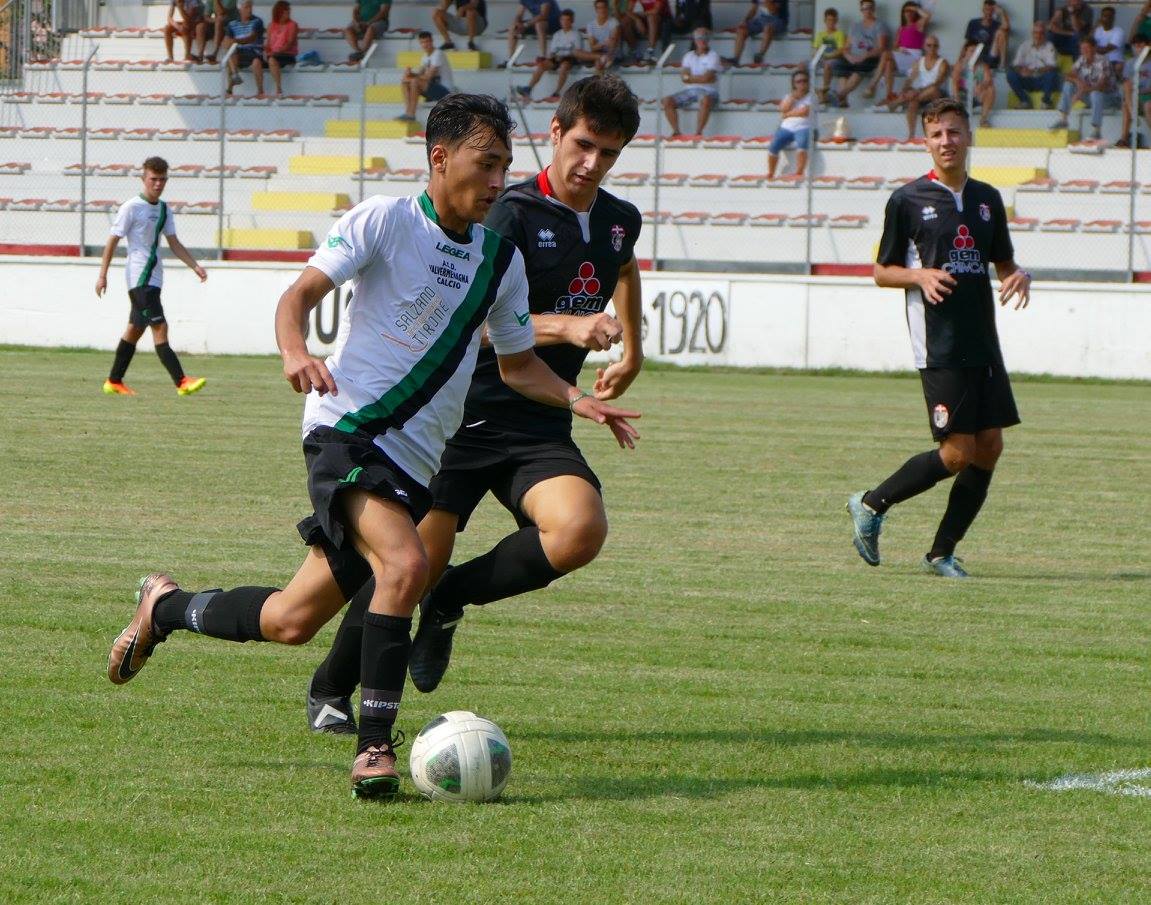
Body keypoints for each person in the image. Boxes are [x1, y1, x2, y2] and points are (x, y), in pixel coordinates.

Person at [105, 93, 641, 801]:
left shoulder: (498, 260)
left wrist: (579, 400)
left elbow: (515, 364)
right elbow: (297, 294)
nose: (495, 181)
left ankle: (163, 607)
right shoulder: (384, 221)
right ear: (439, 158)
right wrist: (294, 349)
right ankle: (374, 748)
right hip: (347, 430)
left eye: (505, 167)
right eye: (485, 165)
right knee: (407, 561)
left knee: (291, 620)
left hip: (418, 461)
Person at [304, 75, 644, 732]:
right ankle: (329, 689)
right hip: (462, 415)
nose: (590, 163)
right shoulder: (505, 211)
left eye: (608, 153)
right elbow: (477, 322)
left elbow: (622, 267)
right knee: (407, 564)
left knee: (580, 530)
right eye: (581, 144)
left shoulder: (618, 219)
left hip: (538, 417)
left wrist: (633, 349)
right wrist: (566, 326)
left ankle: (452, 598)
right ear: (553, 131)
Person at [849, 97, 1031, 579]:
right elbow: (881, 272)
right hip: (939, 344)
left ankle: (941, 553)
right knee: (956, 454)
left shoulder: (988, 199)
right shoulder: (907, 200)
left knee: (989, 446)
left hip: (984, 343)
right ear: (925, 142)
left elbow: (1004, 262)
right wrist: (920, 277)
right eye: (936, 134)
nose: (946, 142)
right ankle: (871, 503)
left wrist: (1018, 275)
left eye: (953, 132)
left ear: (968, 136)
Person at [94, 157, 207, 397]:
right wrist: (102, 275)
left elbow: (173, 242)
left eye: (162, 179)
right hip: (139, 279)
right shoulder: (131, 207)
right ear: (144, 179)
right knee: (160, 326)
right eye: (153, 179)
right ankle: (181, 381)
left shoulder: (165, 209)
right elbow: (113, 239)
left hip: (154, 280)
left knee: (135, 329)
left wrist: (194, 265)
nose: (158, 184)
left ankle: (114, 381)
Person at [874, 34, 947, 141]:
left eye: (935, 46)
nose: (932, 48)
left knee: (932, 90)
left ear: (938, 47)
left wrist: (917, 91)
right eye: (929, 45)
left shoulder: (943, 63)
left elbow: (937, 83)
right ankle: (911, 135)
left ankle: (895, 104)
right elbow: (910, 79)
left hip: (936, 94)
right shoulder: (920, 61)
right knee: (913, 102)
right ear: (924, 46)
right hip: (920, 95)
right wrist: (905, 90)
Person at [951, 0, 1009, 128]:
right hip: (964, 93)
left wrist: (1001, 12)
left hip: (987, 56)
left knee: (1001, 33)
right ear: (983, 9)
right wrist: (960, 58)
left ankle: (983, 120)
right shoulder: (974, 23)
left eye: (991, 8)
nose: (988, 10)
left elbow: (1006, 27)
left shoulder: (996, 24)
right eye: (986, 8)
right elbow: (967, 43)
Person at [517, 8, 594, 101]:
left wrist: (562, 54)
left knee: (564, 66)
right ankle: (528, 88)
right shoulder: (557, 34)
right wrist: (554, 56)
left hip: (570, 59)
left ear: (572, 21)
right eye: (563, 20)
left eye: (567, 20)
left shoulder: (576, 34)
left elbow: (577, 52)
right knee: (542, 65)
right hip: (557, 58)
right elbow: (553, 51)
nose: (564, 22)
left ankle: (556, 92)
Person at [662, 27, 721, 136]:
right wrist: (701, 78)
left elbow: (704, 78)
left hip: (709, 91)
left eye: (705, 37)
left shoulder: (713, 56)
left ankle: (698, 132)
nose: (702, 40)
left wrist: (691, 78)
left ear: (708, 40)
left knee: (706, 99)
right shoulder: (688, 56)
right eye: (699, 38)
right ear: (694, 40)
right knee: (667, 101)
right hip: (690, 91)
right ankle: (676, 131)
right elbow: (684, 78)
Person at [870, 1, 931, 104]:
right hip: (902, 55)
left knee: (885, 54)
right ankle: (889, 96)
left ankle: (872, 85)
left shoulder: (918, 25)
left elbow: (927, 16)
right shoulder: (901, 28)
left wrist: (915, 8)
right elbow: (894, 47)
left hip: (913, 58)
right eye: (906, 11)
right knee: (888, 63)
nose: (908, 13)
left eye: (911, 11)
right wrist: (899, 50)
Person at [1051, 36, 1112, 140]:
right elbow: (1069, 75)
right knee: (1068, 85)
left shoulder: (1103, 61)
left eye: (1087, 48)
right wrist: (1078, 82)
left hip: (1107, 97)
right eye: (1082, 48)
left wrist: (1080, 92)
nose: (1084, 51)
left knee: (1095, 94)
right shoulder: (1081, 60)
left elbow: (1101, 86)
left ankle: (1096, 131)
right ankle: (1064, 120)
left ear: (1094, 48)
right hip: (1089, 95)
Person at [832, 0, 889, 107]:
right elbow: (846, 47)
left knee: (860, 68)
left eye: (870, 7)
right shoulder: (855, 26)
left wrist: (864, 56)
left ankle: (839, 95)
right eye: (865, 8)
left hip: (870, 57)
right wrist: (849, 56)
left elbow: (881, 48)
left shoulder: (880, 25)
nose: (867, 10)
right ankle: (843, 101)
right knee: (840, 65)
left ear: (873, 9)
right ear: (861, 10)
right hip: (853, 57)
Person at [768, 70, 813, 178]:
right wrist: (793, 98)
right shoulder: (789, 96)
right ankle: (771, 173)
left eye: (804, 81)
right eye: (798, 81)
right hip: (786, 127)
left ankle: (799, 172)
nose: (802, 83)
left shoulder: (812, 96)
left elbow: (804, 112)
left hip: (804, 126)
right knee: (774, 146)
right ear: (794, 84)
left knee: (802, 144)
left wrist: (787, 115)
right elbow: (783, 109)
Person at [400, 30, 454, 120]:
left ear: (432, 41)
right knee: (405, 82)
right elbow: (419, 74)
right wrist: (410, 74)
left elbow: (428, 76)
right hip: (432, 88)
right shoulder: (425, 56)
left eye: (427, 41)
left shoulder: (438, 54)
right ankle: (408, 112)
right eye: (422, 42)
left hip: (445, 91)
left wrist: (413, 77)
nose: (425, 44)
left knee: (414, 81)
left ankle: (411, 114)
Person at [1006, 21, 1059, 110]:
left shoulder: (1049, 46)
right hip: (1027, 79)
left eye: (1041, 33)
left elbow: (1052, 66)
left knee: (1052, 74)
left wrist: (1035, 71)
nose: (1038, 35)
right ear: (1032, 33)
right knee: (1010, 74)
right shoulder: (1024, 45)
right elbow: (1015, 64)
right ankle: (1025, 101)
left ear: (1045, 34)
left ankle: (1046, 102)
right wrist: (1021, 70)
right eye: (1036, 33)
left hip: (1042, 80)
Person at [724, 0, 787, 67]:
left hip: (778, 20)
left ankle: (760, 55)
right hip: (761, 19)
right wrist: (744, 21)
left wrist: (767, 2)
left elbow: (773, 11)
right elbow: (754, 9)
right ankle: (736, 59)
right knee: (741, 29)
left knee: (767, 28)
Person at [224, 0, 266, 95]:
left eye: (250, 7)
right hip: (239, 51)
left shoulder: (257, 21)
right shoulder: (232, 24)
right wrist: (229, 43)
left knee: (256, 63)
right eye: (247, 7)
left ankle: (260, 91)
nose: (250, 10)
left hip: (254, 51)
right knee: (231, 51)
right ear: (240, 9)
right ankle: (233, 82)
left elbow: (252, 38)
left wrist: (235, 41)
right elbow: (226, 40)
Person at [1117, 32, 1151, 148]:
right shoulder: (1130, 63)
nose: (1138, 49)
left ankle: (1133, 115)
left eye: (1141, 45)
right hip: (1133, 98)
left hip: (1147, 97)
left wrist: (1138, 92)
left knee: (1148, 106)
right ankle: (1124, 139)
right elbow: (1127, 84)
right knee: (1126, 102)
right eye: (1136, 46)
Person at [504, 0, 560, 66]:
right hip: (536, 22)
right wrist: (517, 23)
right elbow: (519, 14)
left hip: (554, 23)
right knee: (513, 27)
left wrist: (525, 25)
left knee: (539, 25)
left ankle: (543, 57)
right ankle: (511, 60)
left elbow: (543, 15)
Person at [265, 0, 299, 97]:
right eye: (286, 10)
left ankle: (278, 88)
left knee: (272, 60)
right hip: (273, 54)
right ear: (279, 12)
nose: (288, 12)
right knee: (256, 61)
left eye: (288, 10)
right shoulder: (271, 25)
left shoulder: (293, 25)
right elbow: (268, 43)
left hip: (287, 54)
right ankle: (260, 91)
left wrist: (276, 52)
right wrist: (266, 50)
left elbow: (290, 43)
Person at [813, 6, 846, 104]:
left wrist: (827, 56)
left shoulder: (840, 34)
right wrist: (819, 56)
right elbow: (815, 49)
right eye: (828, 20)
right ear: (825, 20)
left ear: (836, 21)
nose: (830, 22)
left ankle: (824, 89)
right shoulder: (820, 34)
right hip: (822, 58)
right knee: (804, 65)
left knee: (828, 64)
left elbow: (840, 51)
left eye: (833, 20)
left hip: (834, 59)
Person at [585, 0, 623, 71]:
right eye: (599, 8)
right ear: (596, 9)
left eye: (604, 7)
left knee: (599, 62)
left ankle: (599, 79)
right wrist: (604, 43)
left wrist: (599, 45)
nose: (602, 10)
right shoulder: (590, 25)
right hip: (600, 53)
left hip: (613, 54)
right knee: (599, 61)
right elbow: (592, 47)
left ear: (607, 8)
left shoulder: (614, 22)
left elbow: (613, 44)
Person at [1093, 6, 1125, 81]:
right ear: (1101, 17)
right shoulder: (1097, 30)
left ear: (1113, 18)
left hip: (1113, 61)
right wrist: (1095, 26)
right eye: (1104, 16)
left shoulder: (1119, 32)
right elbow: (1087, 42)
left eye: (1109, 16)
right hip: (1098, 60)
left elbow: (1105, 50)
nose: (1106, 18)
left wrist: (1092, 48)